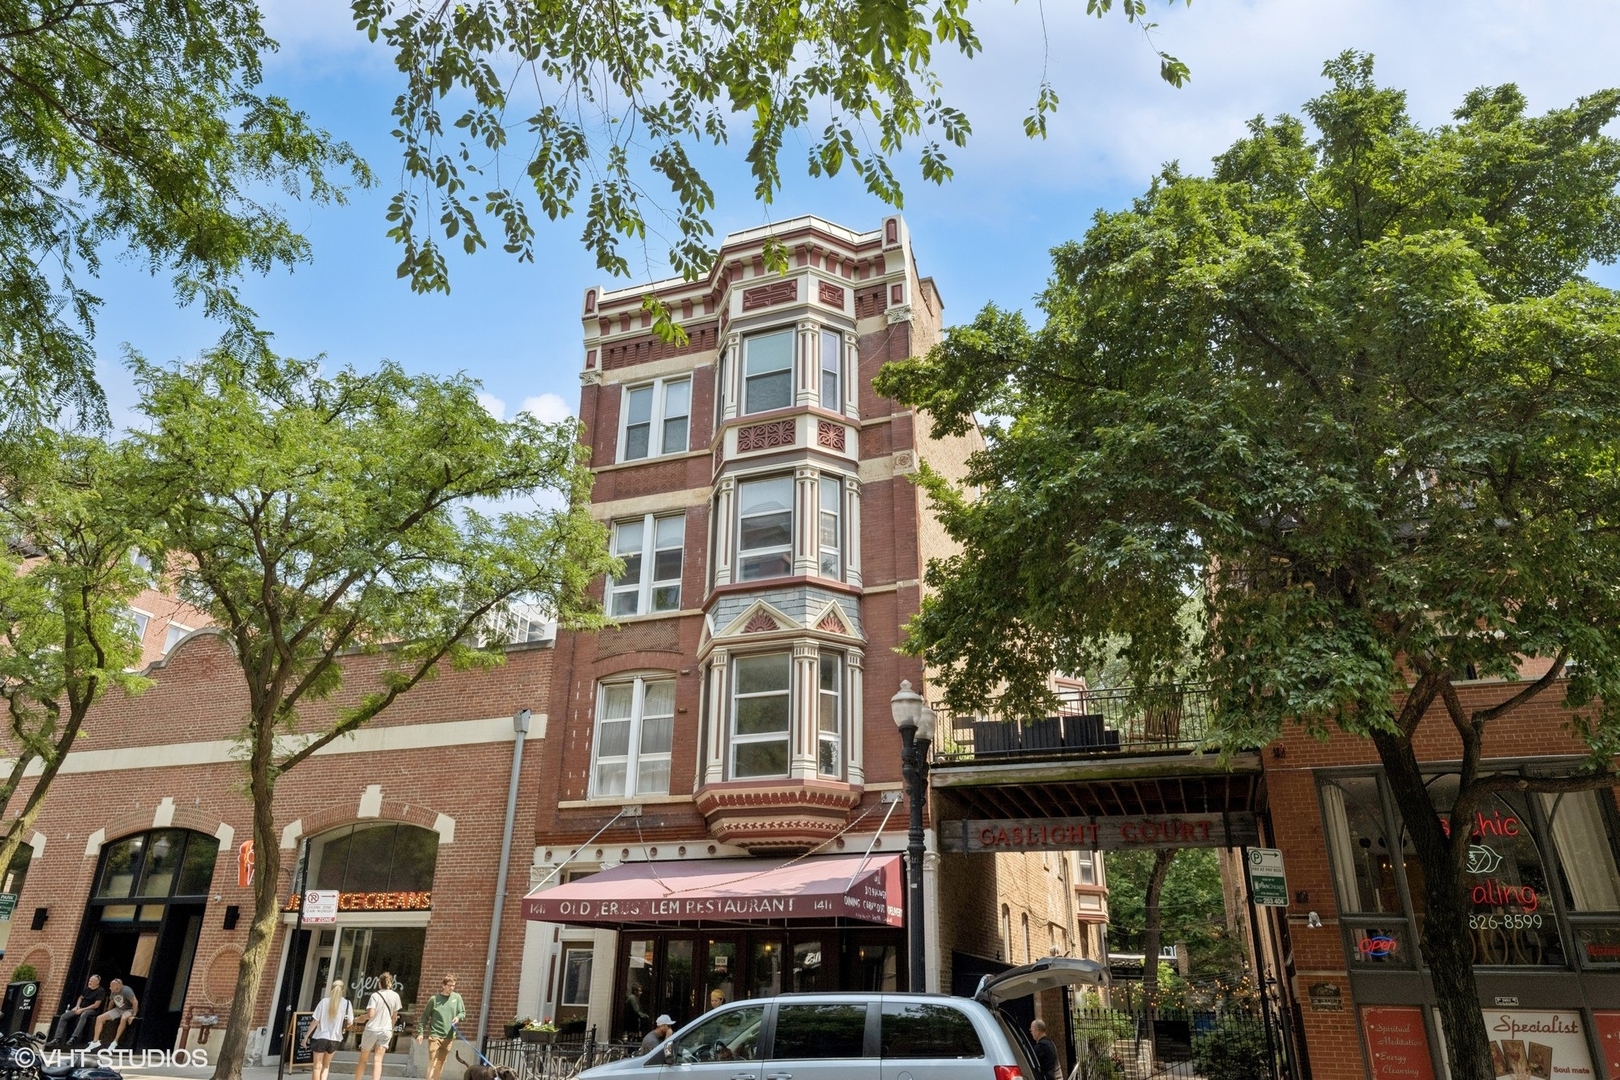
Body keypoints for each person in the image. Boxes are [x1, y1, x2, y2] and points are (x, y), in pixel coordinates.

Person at [414, 974, 466, 1080]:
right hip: (435, 1035)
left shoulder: (457, 998)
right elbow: (424, 1017)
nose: (451, 988)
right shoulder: (434, 999)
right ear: (443, 985)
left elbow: (462, 1013)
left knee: (441, 1063)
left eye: (453, 986)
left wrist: (458, 1017)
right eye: (449, 985)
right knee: (432, 1061)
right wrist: (420, 1032)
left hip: (449, 1036)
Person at [354, 973, 402, 1080]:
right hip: (386, 1030)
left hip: (372, 1029)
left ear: (379, 983)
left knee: (363, 1059)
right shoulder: (396, 996)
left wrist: (359, 1018)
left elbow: (370, 1015)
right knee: (378, 1060)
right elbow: (394, 1017)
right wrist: (391, 1029)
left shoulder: (375, 996)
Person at [304, 981, 353, 1080]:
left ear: (331, 989)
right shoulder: (347, 1003)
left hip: (321, 1036)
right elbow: (350, 1022)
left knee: (317, 1067)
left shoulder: (324, 1001)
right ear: (343, 990)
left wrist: (306, 1037)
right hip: (335, 1038)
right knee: (326, 1066)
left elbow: (315, 1021)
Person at [49, 974, 106, 1048]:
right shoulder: (87, 989)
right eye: (89, 981)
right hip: (81, 1008)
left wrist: (82, 1009)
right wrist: (77, 1006)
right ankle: (57, 1038)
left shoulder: (100, 991)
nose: (89, 982)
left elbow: (96, 1005)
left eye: (91, 981)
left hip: (92, 1010)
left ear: (97, 982)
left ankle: (74, 1037)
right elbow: (80, 998)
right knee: (64, 1016)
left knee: (84, 1015)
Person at [84, 978, 137, 1052]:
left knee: (124, 1018)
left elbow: (135, 1002)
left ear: (118, 986)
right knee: (100, 1018)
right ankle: (95, 1041)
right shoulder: (113, 991)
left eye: (111, 986)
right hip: (118, 1009)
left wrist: (134, 1014)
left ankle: (115, 1042)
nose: (110, 988)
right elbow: (111, 1002)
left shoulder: (126, 990)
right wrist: (107, 1013)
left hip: (128, 1009)